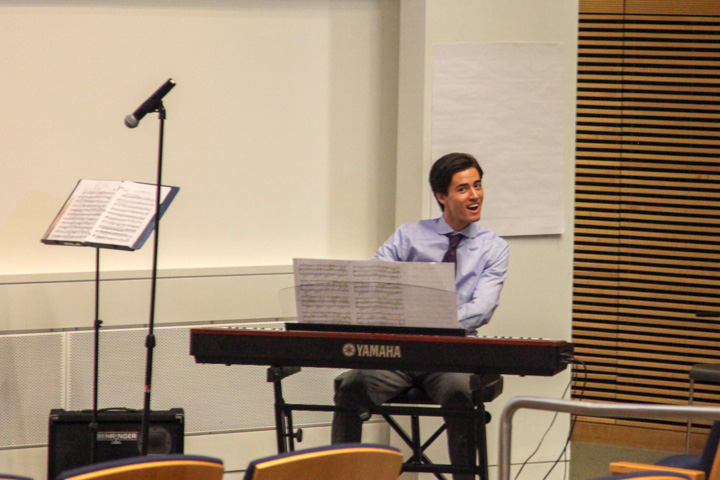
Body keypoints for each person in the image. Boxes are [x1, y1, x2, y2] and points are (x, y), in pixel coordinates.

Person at [331, 152, 509, 480]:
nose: (475, 195)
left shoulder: (493, 247)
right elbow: (372, 280)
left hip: (451, 354)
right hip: (400, 351)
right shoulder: (409, 236)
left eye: (478, 185)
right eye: (463, 189)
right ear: (442, 196)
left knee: (460, 393)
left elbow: (482, 308)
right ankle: (341, 475)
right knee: (351, 387)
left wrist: (433, 319)